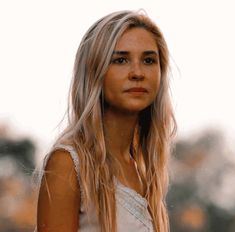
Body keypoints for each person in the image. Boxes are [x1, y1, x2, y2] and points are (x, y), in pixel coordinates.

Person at [36, 10, 176, 232]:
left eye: (149, 60)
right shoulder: (69, 163)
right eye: (120, 60)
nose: (137, 72)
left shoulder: (143, 169)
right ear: (94, 71)